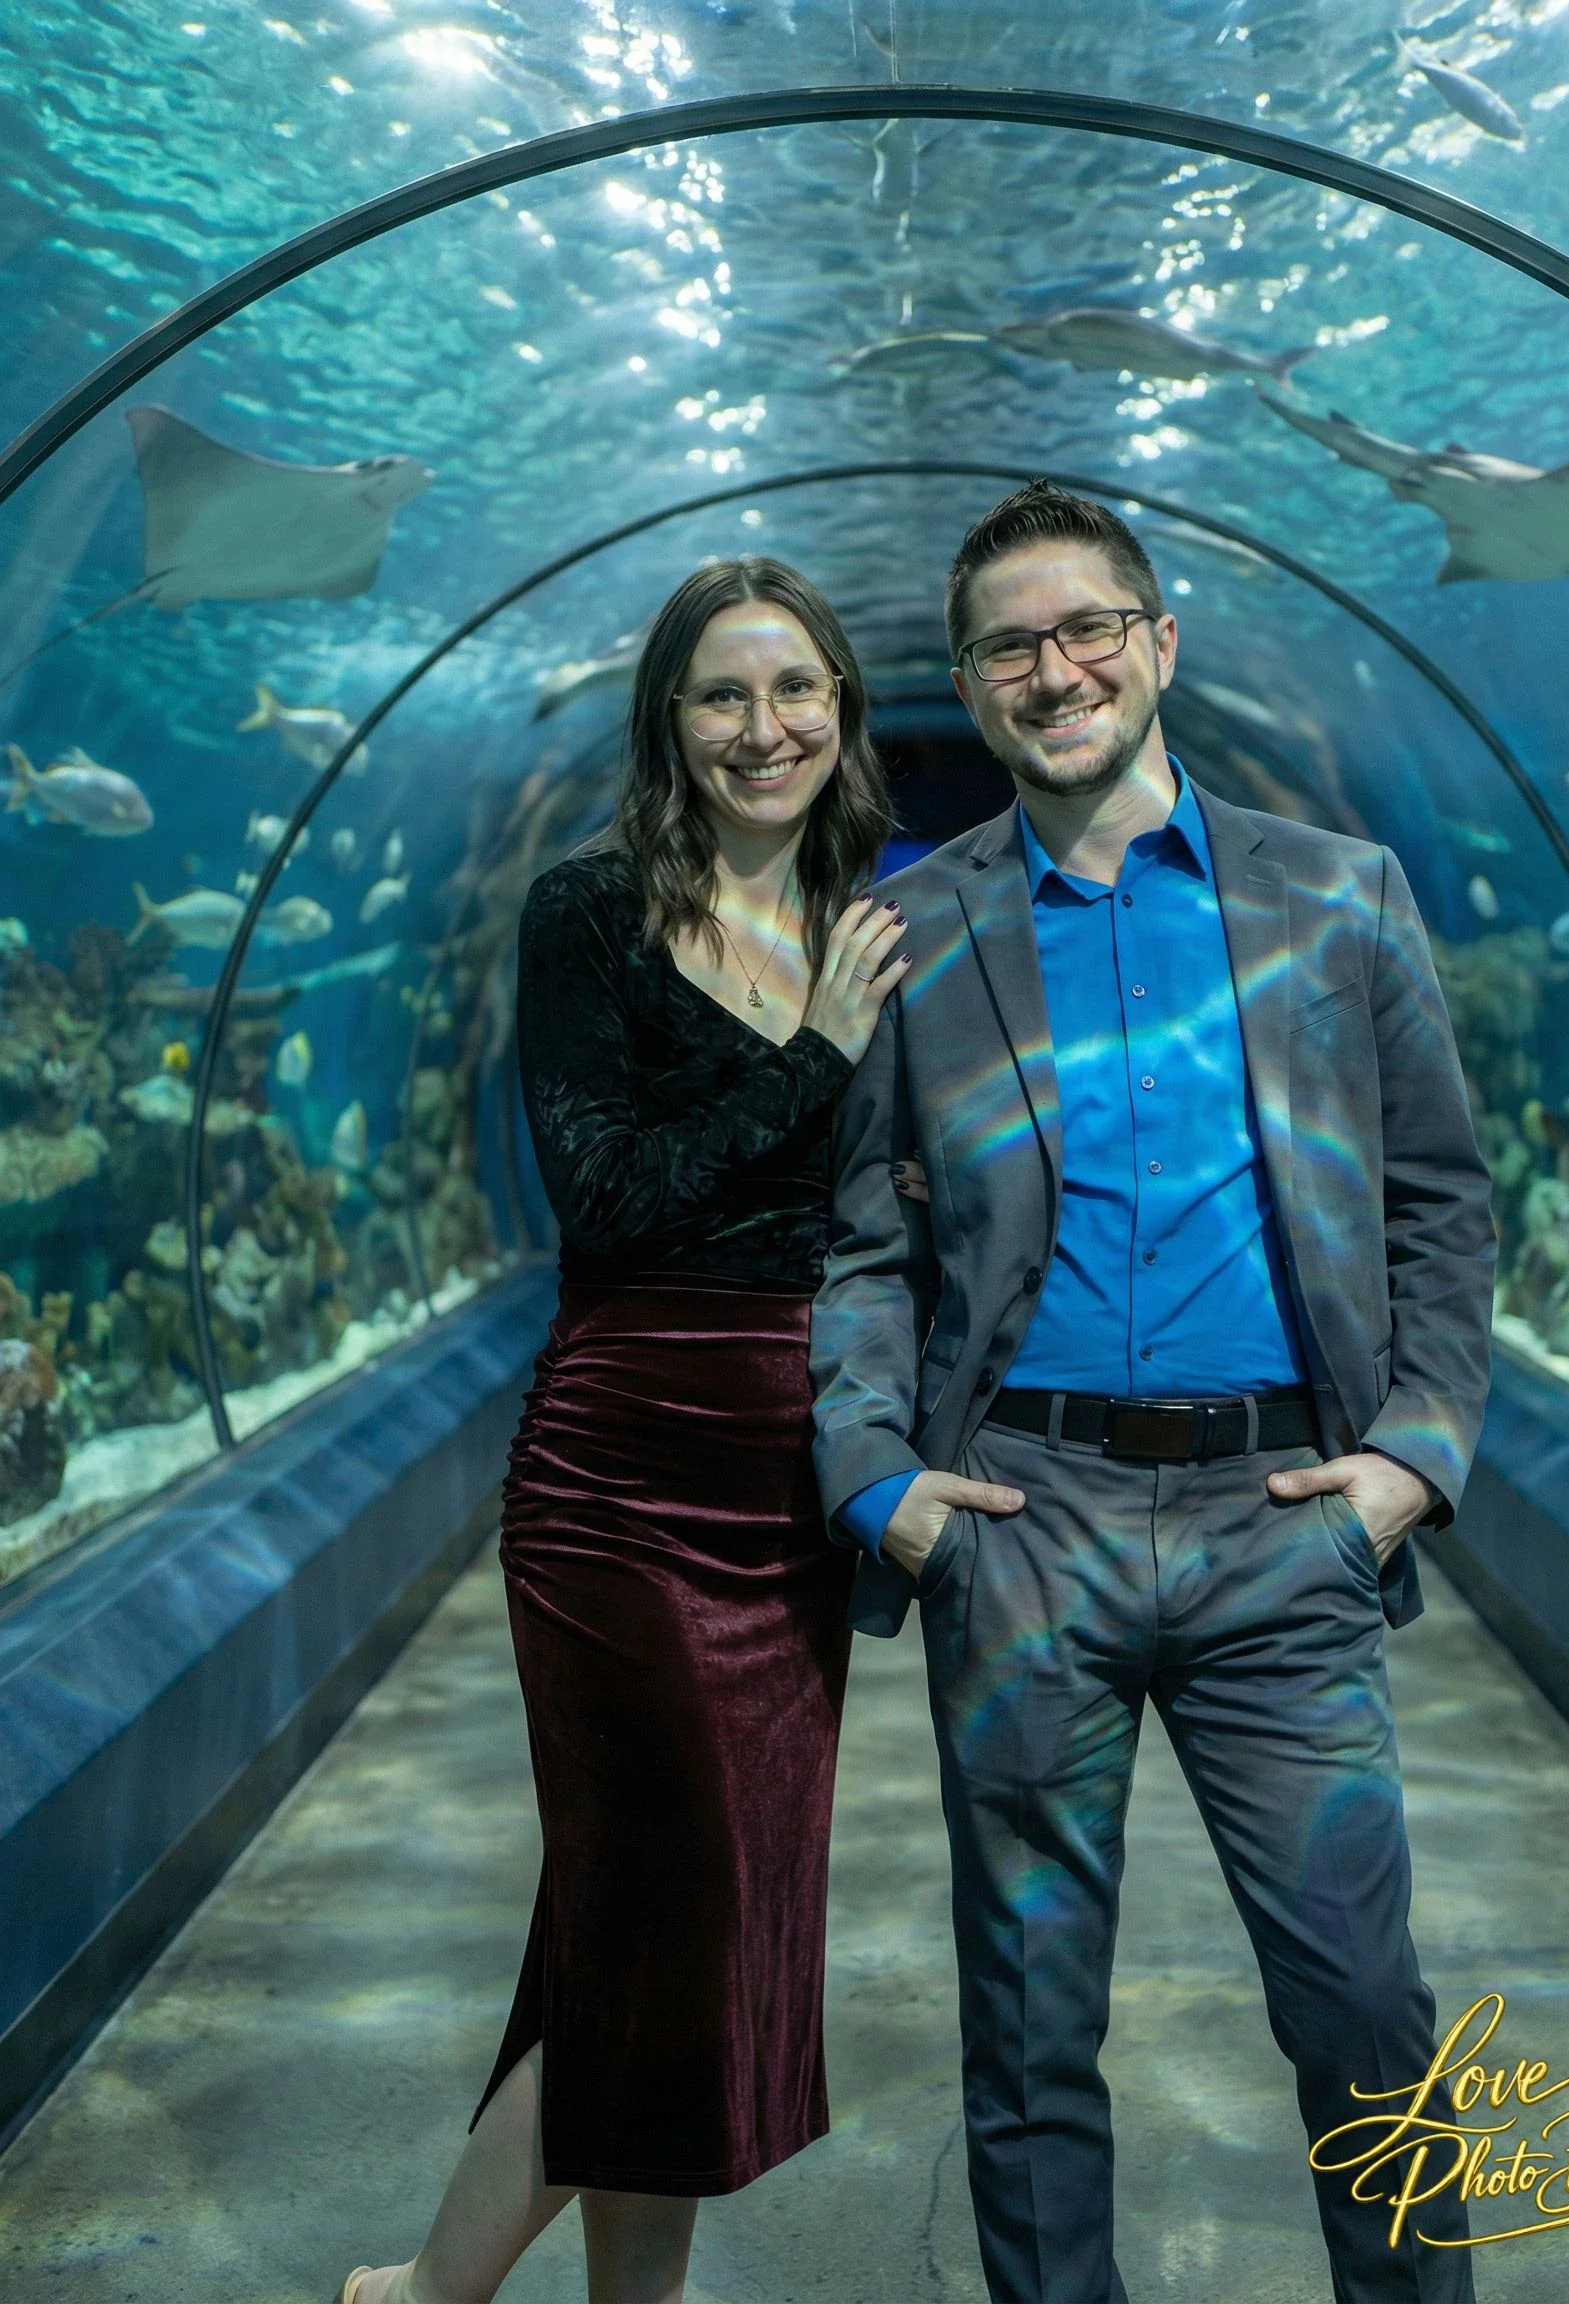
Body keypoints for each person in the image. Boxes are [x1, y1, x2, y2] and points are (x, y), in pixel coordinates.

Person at [811, 480, 1496, 2304]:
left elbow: (1441, 1203)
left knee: (1366, 2008)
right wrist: (879, 1480)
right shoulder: (916, 928)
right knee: (1029, 2040)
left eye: (1089, 627)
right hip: (1024, 1529)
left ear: (1159, 642)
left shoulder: (1340, 897)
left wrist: (1410, 1465)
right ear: (968, 683)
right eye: (1011, 646)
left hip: (1292, 1529)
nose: (1057, 670)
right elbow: (865, 1244)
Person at [338, 558, 909, 2304]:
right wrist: (811, 1053)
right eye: (723, 695)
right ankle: (428, 2300)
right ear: (669, 722)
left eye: (796, 689)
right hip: (621, 1480)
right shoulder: (589, 913)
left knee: (639, 1934)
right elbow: (608, 1193)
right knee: (660, 1922)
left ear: (842, 710)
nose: (765, 728)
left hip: (787, 1489)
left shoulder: (881, 919)